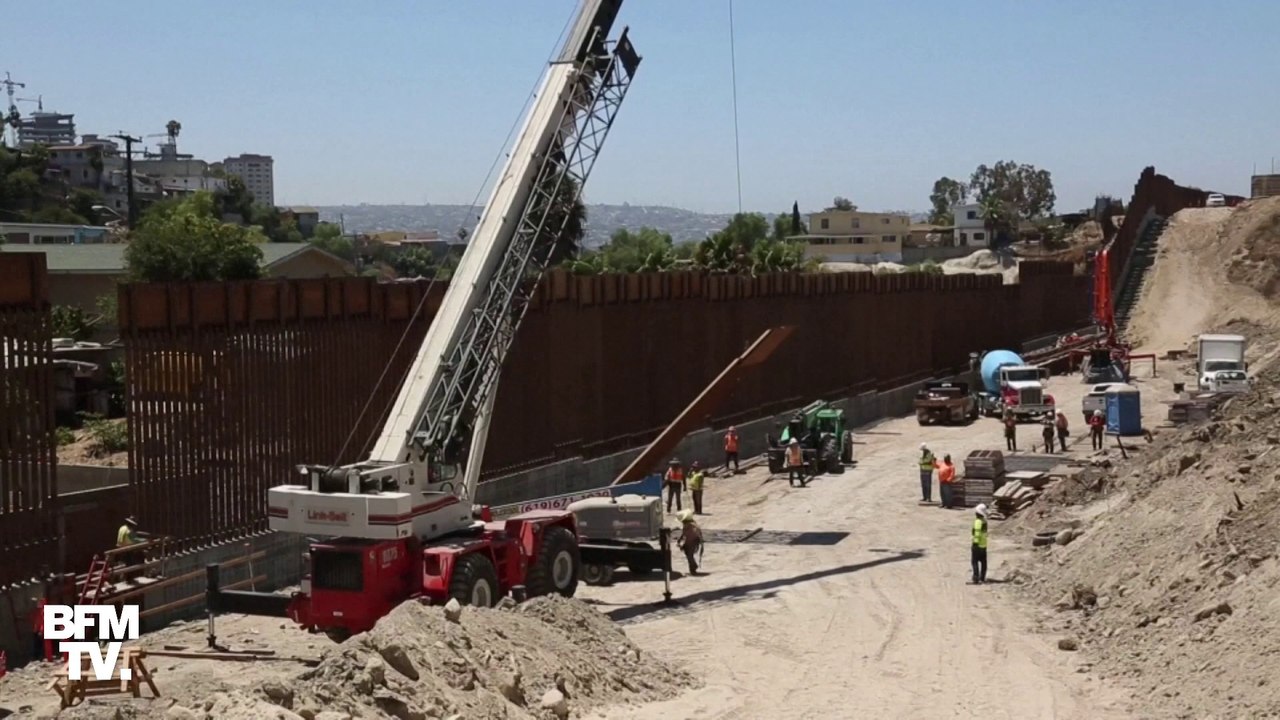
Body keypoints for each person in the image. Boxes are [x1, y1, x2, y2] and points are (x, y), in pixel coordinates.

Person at [676, 510, 703, 575]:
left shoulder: (688, 526)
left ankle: (693, 567)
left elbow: (687, 535)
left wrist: (683, 544)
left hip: (691, 542)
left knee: (689, 556)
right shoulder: (693, 524)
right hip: (694, 541)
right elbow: (684, 534)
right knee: (689, 556)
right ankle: (693, 567)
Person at [971, 503, 989, 584]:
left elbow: (977, 533)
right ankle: (982, 577)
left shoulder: (978, 522)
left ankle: (976, 577)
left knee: (974, 561)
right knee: (983, 562)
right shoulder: (984, 521)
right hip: (984, 545)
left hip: (977, 545)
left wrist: (975, 542)